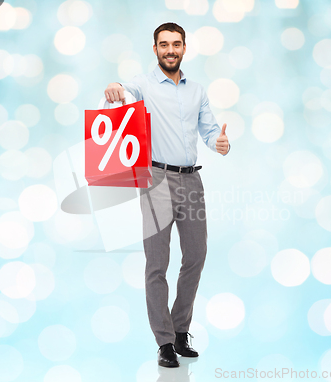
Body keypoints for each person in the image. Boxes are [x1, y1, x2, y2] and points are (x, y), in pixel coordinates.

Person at [104, 22, 230, 368]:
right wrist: (114, 87)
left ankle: (179, 330)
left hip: (191, 181)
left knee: (196, 255)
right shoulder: (143, 84)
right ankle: (163, 342)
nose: (170, 50)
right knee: (157, 262)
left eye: (176, 44)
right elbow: (121, 91)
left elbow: (209, 131)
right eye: (164, 44)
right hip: (156, 179)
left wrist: (220, 143)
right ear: (155, 49)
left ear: (184, 48)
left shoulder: (197, 90)